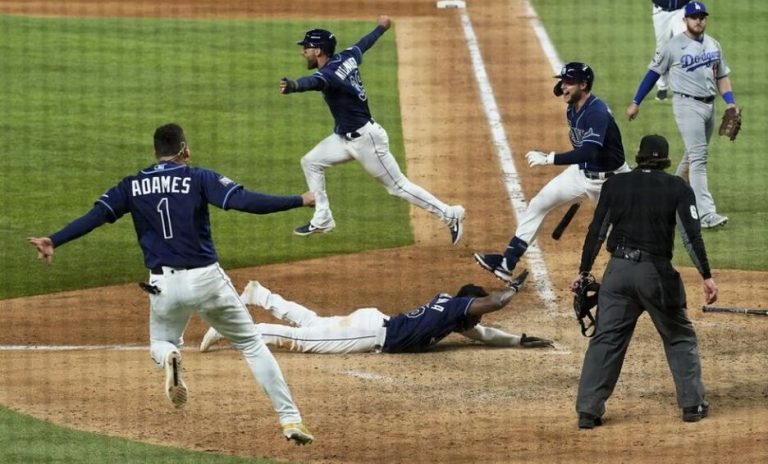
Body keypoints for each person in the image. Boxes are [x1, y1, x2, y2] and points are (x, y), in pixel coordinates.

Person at [27, 123, 316, 445]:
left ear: (155, 153)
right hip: (207, 280)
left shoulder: (132, 185)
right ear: (185, 150)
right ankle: (291, 420)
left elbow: (95, 216)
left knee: (161, 342)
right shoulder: (198, 177)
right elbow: (246, 202)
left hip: (162, 284)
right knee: (250, 345)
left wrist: (54, 240)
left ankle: (169, 357)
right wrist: (300, 199)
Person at [572, 134, 718, 429]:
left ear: (638, 157)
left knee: (606, 339)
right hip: (655, 275)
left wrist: (584, 271)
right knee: (679, 336)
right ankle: (692, 405)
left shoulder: (615, 184)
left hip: (618, 273)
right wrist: (706, 275)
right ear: (664, 160)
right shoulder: (677, 187)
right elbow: (691, 236)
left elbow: (596, 231)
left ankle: (588, 411)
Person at [280, 15, 466, 245]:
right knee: (310, 162)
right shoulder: (346, 57)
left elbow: (313, 82)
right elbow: (363, 44)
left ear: (318, 51)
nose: (303, 52)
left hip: (367, 140)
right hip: (344, 138)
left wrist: (294, 86)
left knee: (398, 187)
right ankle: (323, 218)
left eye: (307, 48)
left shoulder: (328, 74)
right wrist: (381, 27)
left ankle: (450, 215)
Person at [474, 62, 630, 284]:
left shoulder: (597, 112)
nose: (563, 87)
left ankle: (635, 277)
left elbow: (588, 151)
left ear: (584, 85)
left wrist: (550, 158)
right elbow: (584, 154)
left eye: (569, 82)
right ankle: (507, 263)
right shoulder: (572, 107)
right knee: (539, 203)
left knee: (622, 234)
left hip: (611, 182)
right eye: (562, 81)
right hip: (582, 173)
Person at [199, 271, 554, 354]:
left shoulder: (453, 314)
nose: (479, 320)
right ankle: (233, 329)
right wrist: (514, 289)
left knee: (314, 324)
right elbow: (493, 304)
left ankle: (260, 295)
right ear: (469, 305)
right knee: (303, 341)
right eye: (476, 313)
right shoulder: (460, 307)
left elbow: (485, 334)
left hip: (373, 321)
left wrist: (520, 340)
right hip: (373, 334)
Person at [627, 1, 738, 229]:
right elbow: (652, 74)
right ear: (685, 20)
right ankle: (707, 215)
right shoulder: (672, 46)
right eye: (694, 17)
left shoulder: (713, 45)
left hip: (710, 106)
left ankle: (666, 201)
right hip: (687, 106)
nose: (698, 20)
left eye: (702, 17)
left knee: (691, 157)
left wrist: (730, 103)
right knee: (699, 159)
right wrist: (636, 102)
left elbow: (722, 76)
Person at [649, 1, 690, 101]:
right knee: (662, 51)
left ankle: (686, 88)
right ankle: (662, 88)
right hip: (661, 12)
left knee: (685, 47)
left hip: (682, 11)